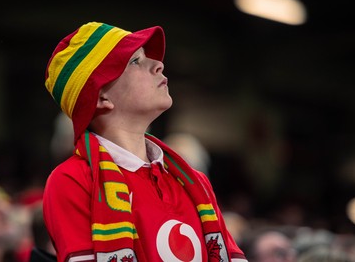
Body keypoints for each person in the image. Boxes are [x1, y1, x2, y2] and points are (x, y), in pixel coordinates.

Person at [42, 21, 248, 262]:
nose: (159, 64)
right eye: (135, 61)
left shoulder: (195, 181)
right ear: (101, 97)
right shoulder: (72, 180)